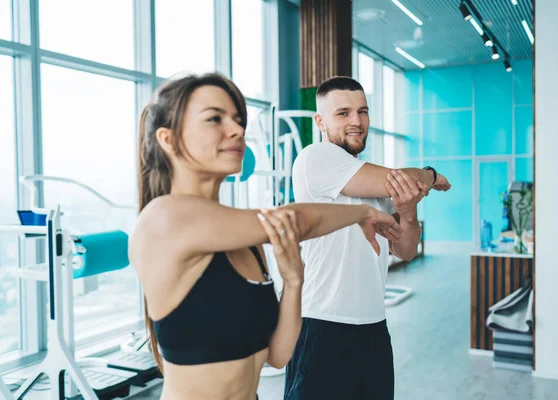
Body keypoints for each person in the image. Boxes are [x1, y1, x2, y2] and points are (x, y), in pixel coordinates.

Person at [128, 72, 404, 400]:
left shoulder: (248, 241)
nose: (236, 129)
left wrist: (294, 281)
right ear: (168, 140)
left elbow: (276, 355)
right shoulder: (163, 219)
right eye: (215, 118)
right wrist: (363, 213)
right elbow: (295, 220)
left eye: (238, 118)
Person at [284, 76, 451, 400]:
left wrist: (408, 211)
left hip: (374, 326)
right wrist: (430, 175)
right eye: (343, 113)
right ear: (320, 121)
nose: (356, 122)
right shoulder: (316, 157)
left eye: (362, 111)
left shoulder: (370, 180)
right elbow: (404, 179)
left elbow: (404, 250)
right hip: (322, 323)